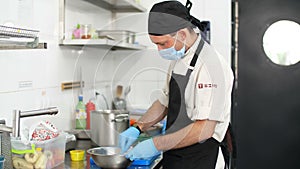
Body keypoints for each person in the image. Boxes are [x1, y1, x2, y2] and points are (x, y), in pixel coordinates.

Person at [118, 1, 234, 169]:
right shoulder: (179, 57)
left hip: (201, 158)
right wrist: (138, 127)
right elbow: (164, 101)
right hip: (176, 152)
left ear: (182, 34)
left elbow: (204, 129)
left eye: (162, 43)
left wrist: (155, 144)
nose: (159, 50)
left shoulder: (211, 66)